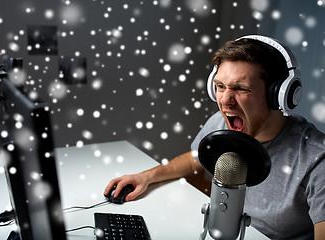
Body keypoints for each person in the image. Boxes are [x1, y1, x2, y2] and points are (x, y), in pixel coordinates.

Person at [104, 35, 325, 239]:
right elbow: (194, 158)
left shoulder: (317, 159)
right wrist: (147, 177)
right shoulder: (221, 123)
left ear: (278, 95)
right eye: (220, 86)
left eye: (241, 89)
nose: (225, 101)